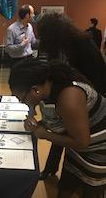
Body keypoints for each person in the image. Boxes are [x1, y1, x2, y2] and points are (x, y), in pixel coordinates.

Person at [9, 58, 106, 198]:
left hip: (98, 151)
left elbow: (82, 142)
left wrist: (45, 134)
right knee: (66, 185)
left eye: (22, 99)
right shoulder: (47, 91)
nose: (22, 103)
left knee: (91, 191)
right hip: (76, 149)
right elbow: (59, 119)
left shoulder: (69, 97)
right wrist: (40, 124)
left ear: (35, 90)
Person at [36, 13, 106, 180]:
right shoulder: (55, 45)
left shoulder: (82, 43)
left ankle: (77, 173)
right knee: (60, 132)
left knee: (77, 138)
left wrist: (80, 100)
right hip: (68, 94)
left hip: (87, 97)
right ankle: (51, 169)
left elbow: (97, 76)